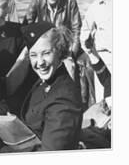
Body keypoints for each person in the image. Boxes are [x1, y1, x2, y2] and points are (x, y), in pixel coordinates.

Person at [13, 22, 83, 151]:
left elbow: (52, 153)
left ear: (59, 51)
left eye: (46, 53)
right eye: (33, 55)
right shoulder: (43, 81)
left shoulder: (64, 97)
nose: (40, 62)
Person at [24, 0, 82, 80]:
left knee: (71, 70)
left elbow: (77, 30)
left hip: (65, 47)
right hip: (45, 45)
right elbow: (27, 26)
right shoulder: (37, 0)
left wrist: (72, 54)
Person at [80, 0, 112, 105]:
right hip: (102, 61)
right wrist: (90, 50)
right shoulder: (95, 7)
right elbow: (84, 34)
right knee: (104, 104)